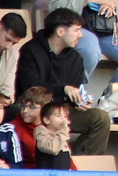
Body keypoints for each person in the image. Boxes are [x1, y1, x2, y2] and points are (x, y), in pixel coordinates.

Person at [12, 9, 110, 155]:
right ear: (60, 32)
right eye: (76, 30)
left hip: (62, 110)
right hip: (35, 107)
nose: (80, 35)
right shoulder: (30, 50)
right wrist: (63, 89)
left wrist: (79, 101)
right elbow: (29, 86)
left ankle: (81, 162)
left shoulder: (76, 58)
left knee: (101, 118)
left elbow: (75, 88)